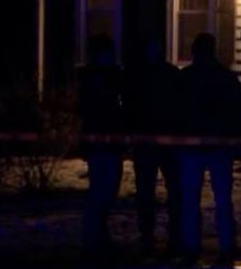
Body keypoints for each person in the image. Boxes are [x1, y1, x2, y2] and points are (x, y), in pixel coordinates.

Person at [176, 33, 241, 265]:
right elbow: (240, 109)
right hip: (219, 146)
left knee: (190, 199)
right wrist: (236, 136)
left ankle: (192, 246)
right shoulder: (225, 78)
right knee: (222, 198)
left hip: (194, 146)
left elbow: (174, 110)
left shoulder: (186, 78)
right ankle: (226, 245)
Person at [121, 39, 183, 257]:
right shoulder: (168, 74)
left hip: (157, 141)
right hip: (158, 141)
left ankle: (157, 233)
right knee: (162, 189)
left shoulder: (139, 76)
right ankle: (162, 233)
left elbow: (129, 106)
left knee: (155, 189)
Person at [77, 33, 125, 262]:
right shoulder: (91, 78)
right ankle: (94, 238)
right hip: (99, 141)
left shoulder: (114, 76)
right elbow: (88, 108)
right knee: (100, 190)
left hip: (111, 140)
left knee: (108, 189)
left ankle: (99, 236)